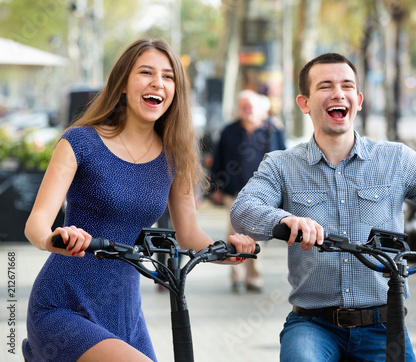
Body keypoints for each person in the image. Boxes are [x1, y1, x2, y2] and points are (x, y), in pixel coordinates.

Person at [230, 52, 416, 361]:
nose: (338, 93)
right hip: (312, 326)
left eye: (346, 86)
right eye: (325, 86)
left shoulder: (396, 159)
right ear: (304, 103)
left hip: (384, 326)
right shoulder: (281, 165)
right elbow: (243, 209)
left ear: (358, 99)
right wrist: (286, 219)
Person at [22, 38, 255, 362]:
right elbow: (36, 225)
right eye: (146, 72)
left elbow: (189, 235)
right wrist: (56, 238)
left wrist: (231, 253)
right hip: (63, 304)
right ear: (122, 84)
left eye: (168, 76)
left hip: (126, 312)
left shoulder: (177, 157)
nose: (158, 82)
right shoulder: (80, 141)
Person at [210, 89, 286, 293]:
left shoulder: (272, 130)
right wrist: (215, 187)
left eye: (251, 106)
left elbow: (284, 160)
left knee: (256, 234)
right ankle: (237, 277)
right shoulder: (229, 131)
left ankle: (254, 277)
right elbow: (218, 160)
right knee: (234, 232)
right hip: (234, 191)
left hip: (264, 194)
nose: (248, 109)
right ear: (239, 109)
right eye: (244, 106)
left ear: (260, 108)